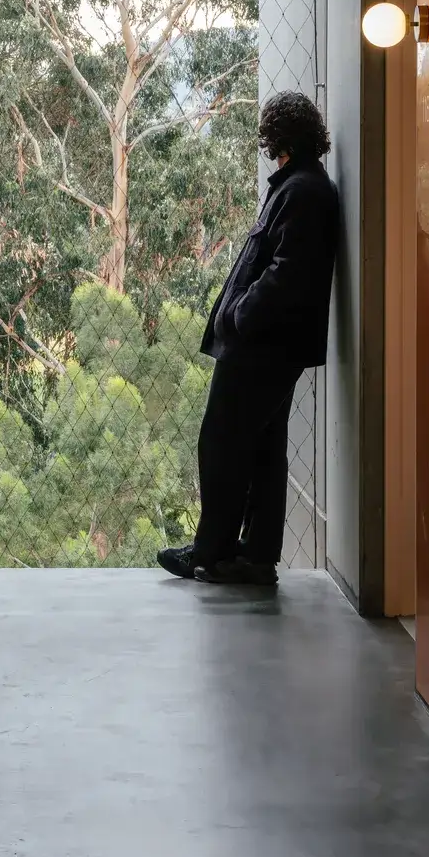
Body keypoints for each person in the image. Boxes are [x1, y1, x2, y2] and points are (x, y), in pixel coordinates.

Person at [159, 91, 340, 586]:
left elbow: (286, 273)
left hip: (262, 346)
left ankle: (211, 554)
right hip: (271, 345)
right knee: (260, 448)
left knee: (221, 442)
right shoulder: (299, 186)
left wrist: (239, 314)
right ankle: (253, 556)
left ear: (276, 135)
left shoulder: (302, 191)